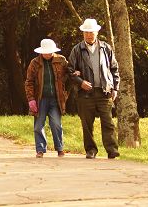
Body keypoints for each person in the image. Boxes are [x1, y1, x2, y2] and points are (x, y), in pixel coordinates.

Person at [68, 18, 120, 159]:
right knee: (87, 123)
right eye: (86, 32)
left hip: (104, 91)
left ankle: (112, 150)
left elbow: (114, 69)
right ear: (83, 33)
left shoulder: (106, 48)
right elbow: (70, 70)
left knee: (108, 122)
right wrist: (80, 82)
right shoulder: (77, 49)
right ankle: (91, 150)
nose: (89, 35)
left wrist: (115, 88)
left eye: (91, 32)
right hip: (85, 93)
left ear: (97, 32)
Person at [24, 38, 70, 158]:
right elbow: (29, 82)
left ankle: (60, 149)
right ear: (41, 52)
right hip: (40, 99)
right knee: (38, 125)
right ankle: (40, 149)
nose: (48, 54)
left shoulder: (61, 60)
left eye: (50, 52)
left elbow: (69, 74)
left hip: (56, 99)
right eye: (45, 52)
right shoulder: (34, 63)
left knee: (56, 124)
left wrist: (66, 93)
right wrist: (31, 99)